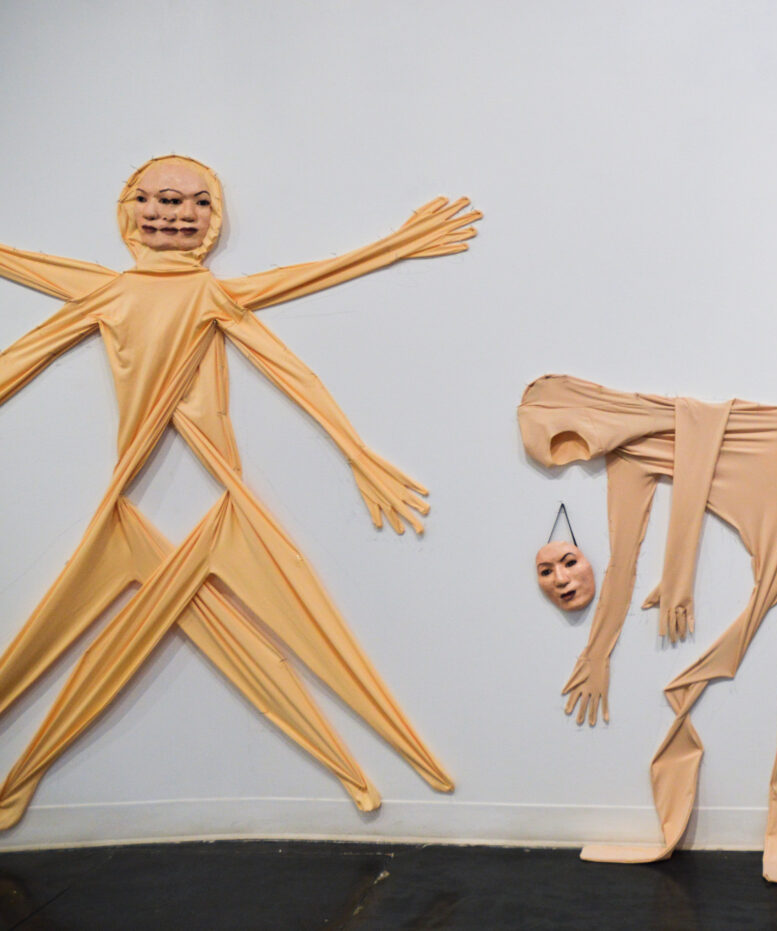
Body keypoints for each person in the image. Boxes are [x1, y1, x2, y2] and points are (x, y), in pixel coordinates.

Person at [0, 155, 479, 826]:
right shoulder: (108, 290)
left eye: (197, 202)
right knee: (56, 639)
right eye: (160, 199)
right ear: (130, 207)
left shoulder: (208, 295)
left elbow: (292, 354)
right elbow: (24, 338)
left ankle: (392, 758)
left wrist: (357, 452)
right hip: (135, 504)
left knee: (313, 639)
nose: (177, 212)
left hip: (222, 504)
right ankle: (19, 781)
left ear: (214, 217)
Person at [518, 374, 777, 883]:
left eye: (567, 440)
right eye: (560, 455)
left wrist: (679, 577)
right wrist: (597, 653)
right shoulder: (628, 457)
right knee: (758, 652)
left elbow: (702, 440)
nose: (573, 458)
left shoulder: (676, 417)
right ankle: (769, 815)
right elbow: (621, 562)